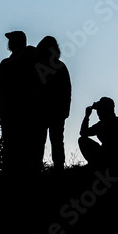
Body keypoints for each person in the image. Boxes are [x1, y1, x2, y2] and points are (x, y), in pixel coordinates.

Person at [0, 31, 41, 173]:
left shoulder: (27, 61)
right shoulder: (9, 62)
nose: (9, 43)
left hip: (22, 109)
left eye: (12, 40)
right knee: (13, 144)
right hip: (12, 109)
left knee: (20, 143)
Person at [35, 36, 71, 171]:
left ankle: (38, 168)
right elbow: (67, 91)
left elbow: (33, 89)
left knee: (39, 142)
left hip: (42, 111)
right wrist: (66, 109)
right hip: (56, 111)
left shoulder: (37, 67)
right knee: (56, 141)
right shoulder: (60, 66)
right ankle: (59, 168)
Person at [78, 97, 118, 168]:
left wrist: (86, 116)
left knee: (82, 140)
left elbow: (83, 133)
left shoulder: (105, 124)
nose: (98, 113)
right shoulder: (115, 122)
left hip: (111, 159)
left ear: (104, 111)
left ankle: (96, 165)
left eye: (99, 110)